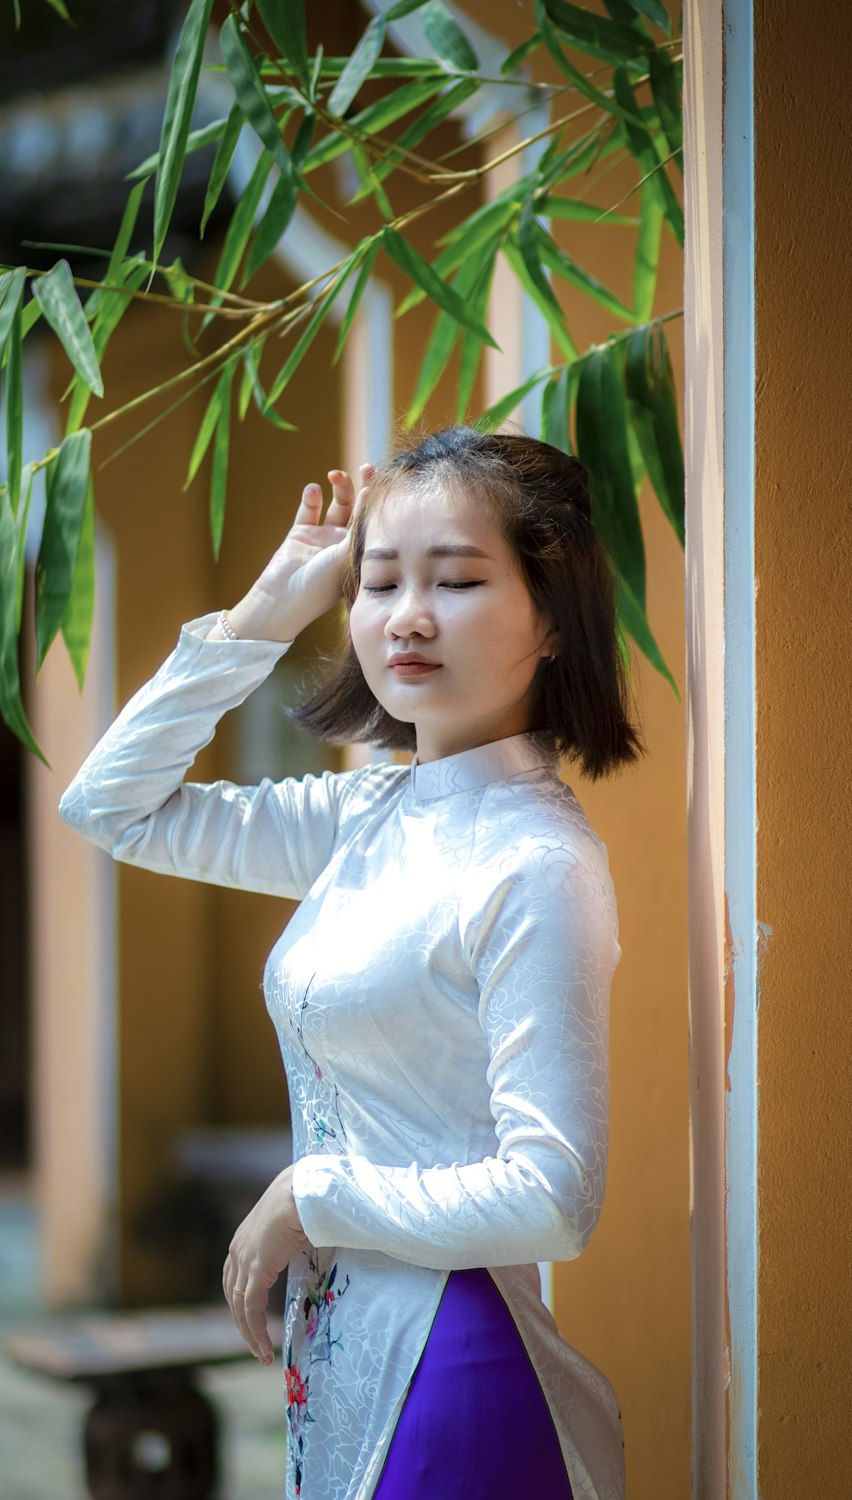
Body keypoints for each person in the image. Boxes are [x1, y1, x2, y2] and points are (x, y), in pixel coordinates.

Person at [59, 425, 643, 1500]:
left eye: (458, 579)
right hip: (336, 1363)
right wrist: (268, 609)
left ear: (554, 617)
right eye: (377, 583)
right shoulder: (362, 817)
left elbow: (553, 1197)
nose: (406, 616)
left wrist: (309, 1194)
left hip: (451, 1370)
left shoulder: (534, 863)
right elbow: (107, 806)